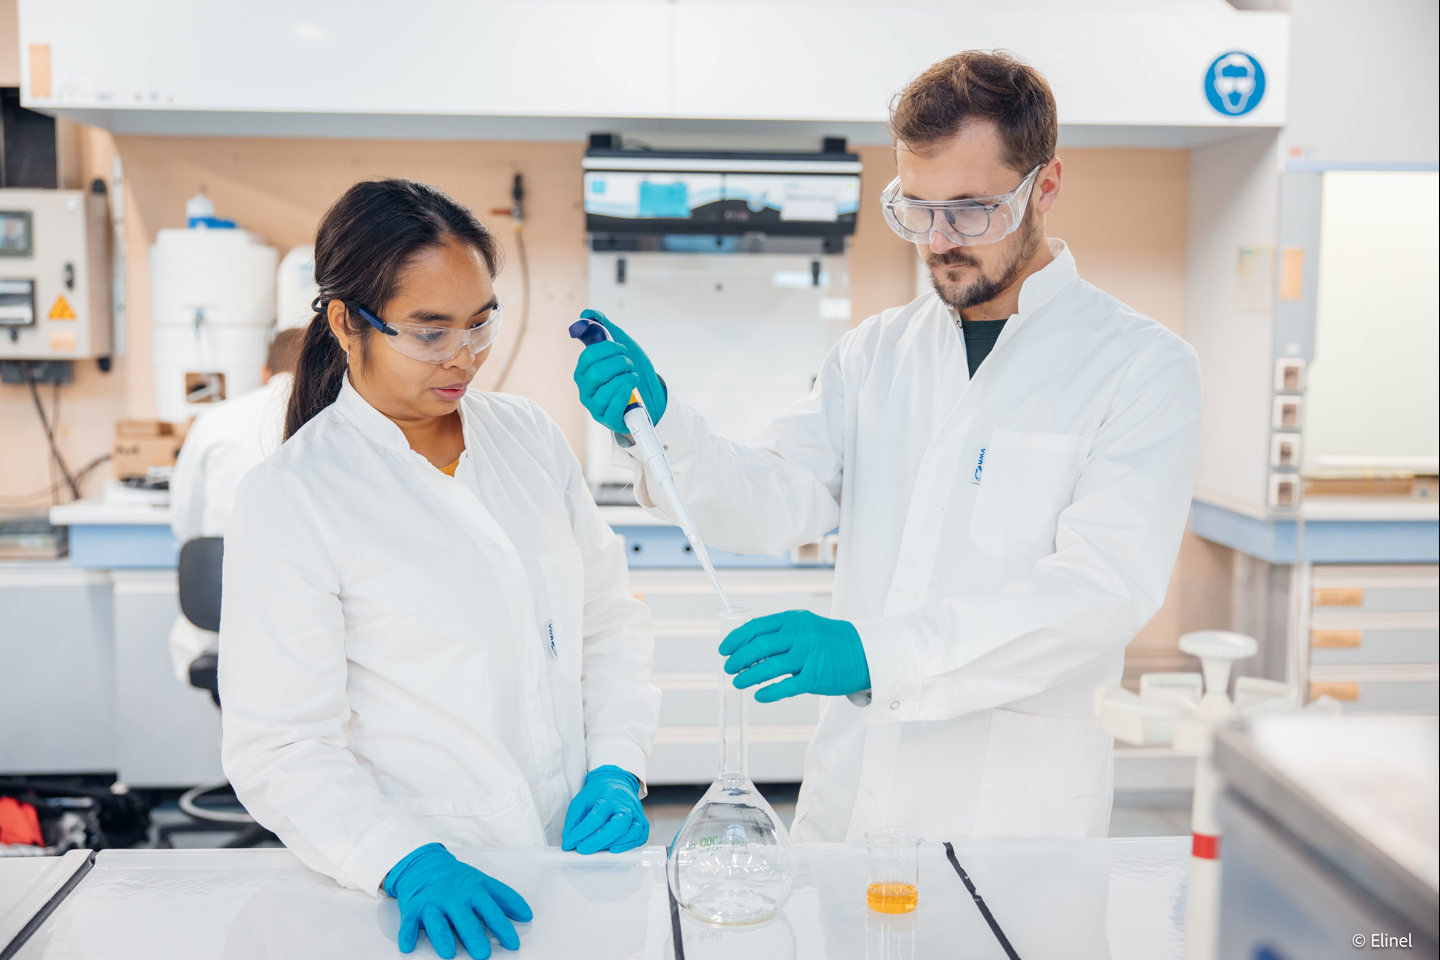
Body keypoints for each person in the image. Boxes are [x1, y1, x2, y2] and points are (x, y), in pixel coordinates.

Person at [573, 50, 1201, 844]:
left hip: (1011, 813)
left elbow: (1096, 593)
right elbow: (779, 495)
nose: (939, 240)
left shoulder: (1140, 366)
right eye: (916, 208)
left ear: (1044, 186)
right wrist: (662, 429)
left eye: (971, 210)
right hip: (855, 796)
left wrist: (878, 654)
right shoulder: (877, 353)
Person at [220, 179, 660, 960]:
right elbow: (282, 747)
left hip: (570, 862)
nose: (464, 357)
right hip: (415, 892)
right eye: (429, 333)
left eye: (480, 323)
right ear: (346, 323)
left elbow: (607, 625)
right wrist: (404, 861)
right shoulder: (293, 496)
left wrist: (618, 766)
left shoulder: (528, 438)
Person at [167, 327, 302, 683]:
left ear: (264, 372)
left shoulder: (214, 421)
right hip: (304, 623)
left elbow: (185, 520)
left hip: (220, 610)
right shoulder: (332, 422)